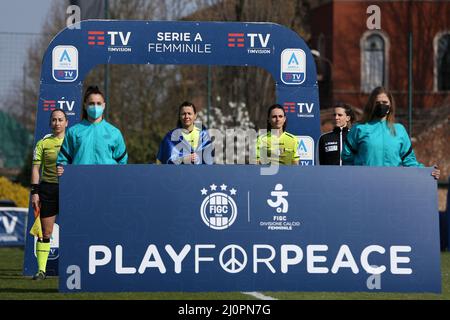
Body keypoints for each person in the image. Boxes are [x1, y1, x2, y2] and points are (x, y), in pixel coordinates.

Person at [342, 86, 440, 179]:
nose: (381, 105)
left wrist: (428, 172)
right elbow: (347, 158)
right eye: (377, 103)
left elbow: (409, 161)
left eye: (384, 102)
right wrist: (355, 177)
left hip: (393, 184)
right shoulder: (359, 128)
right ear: (372, 105)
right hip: (365, 185)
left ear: (390, 106)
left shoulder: (400, 130)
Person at [30, 109, 68, 280]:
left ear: (66, 122)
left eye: (60, 120)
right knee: (46, 233)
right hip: (48, 190)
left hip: (71, 189)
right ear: (50, 123)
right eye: (54, 120)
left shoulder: (73, 141)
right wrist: (35, 192)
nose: (57, 123)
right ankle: (41, 271)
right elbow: (36, 169)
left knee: (76, 230)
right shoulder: (43, 143)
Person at [56, 86, 128, 174]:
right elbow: (63, 159)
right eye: (91, 103)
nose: (95, 106)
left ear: (104, 105)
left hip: (107, 182)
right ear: (85, 105)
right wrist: (61, 168)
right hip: (79, 182)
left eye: (98, 103)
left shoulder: (114, 132)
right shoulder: (73, 131)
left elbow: (122, 162)